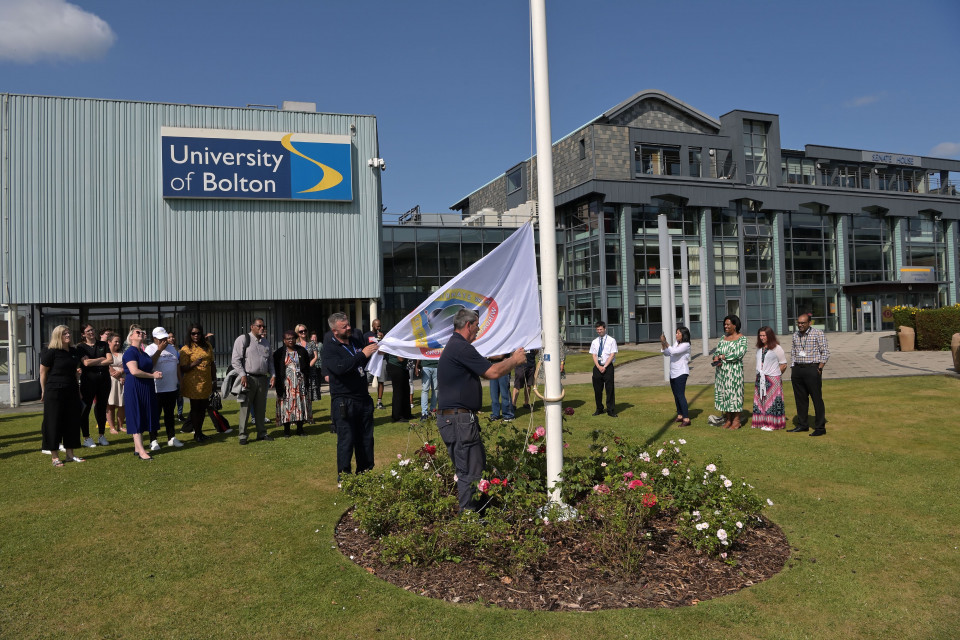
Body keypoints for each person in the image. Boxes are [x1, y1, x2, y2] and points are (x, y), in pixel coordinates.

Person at [437, 309, 526, 513]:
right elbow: (492, 372)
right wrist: (514, 360)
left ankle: (476, 515)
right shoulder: (461, 347)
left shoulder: (455, 346)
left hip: (455, 419)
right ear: (468, 325)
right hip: (459, 420)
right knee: (470, 471)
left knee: (471, 468)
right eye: (477, 325)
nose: (478, 330)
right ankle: (470, 520)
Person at [323, 312, 379, 478]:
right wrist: (362, 354)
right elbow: (340, 367)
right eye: (344, 326)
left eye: (348, 324)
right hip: (344, 400)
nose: (349, 328)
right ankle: (345, 477)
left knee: (366, 440)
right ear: (334, 331)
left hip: (363, 398)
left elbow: (363, 361)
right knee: (347, 440)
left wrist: (375, 354)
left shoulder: (355, 341)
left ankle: (365, 473)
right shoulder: (330, 348)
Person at [40, 325, 84, 467]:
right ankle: (54, 457)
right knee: (53, 422)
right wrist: (43, 390)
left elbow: (74, 372)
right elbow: (43, 372)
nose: (68, 334)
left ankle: (70, 454)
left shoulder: (73, 351)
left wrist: (78, 389)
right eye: (65, 333)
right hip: (54, 390)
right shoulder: (51, 352)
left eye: (69, 332)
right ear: (58, 335)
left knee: (71, 421)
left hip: (71, 389)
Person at [231, 318, 276, 445]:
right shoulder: (243, 339)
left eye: (263, 326)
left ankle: (262, 433)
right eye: (259, 326)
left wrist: (273, 375)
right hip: (248, 378)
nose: (262, 328)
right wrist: (242, 375)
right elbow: (235, 360)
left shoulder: (266, 343)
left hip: (263, 379)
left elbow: (270, 362)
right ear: (252, 327)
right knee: (245, 407)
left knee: (261, 408)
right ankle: (243, 435)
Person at [788, 313, 830, 436]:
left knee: (816, 399)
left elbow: (825, 352)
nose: (800, 325)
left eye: (803, 323)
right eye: (798, 323)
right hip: (797, 370)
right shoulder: (795, 335)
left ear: (809, 323)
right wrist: (793, 367)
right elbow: (793, 352)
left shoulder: (818, 333)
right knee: (800, 399)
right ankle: (802, 425)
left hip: (812, 369)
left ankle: (820, 428)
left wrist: (820, 368)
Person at [123, 328, 162, 460]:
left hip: (146, 387)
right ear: (131, 337)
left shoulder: (143, 353)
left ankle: (137, 447)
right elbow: (134, 371)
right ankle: (141, 452)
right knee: (136, 415)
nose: (141, 334)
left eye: (142, 333)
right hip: (135, 387)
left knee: (144, 414)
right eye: (138, 332)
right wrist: (152, 375)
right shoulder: (130, 352)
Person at [145, 327, 184, 450]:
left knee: (169, 415)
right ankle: (153, 440)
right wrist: (159, 350)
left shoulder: (172, 348)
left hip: (171, 387)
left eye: (165, 338)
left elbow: (177, 365)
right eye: (161, 338)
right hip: (157, 388)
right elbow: (149, 364)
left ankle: (171, 438)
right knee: (155, 416)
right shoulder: (149, 349)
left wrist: (180, 381)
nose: (164, 341)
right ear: (154, 338)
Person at [179, 323, 216, 442]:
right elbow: (182, 368)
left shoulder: (208, 346)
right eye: (193, 333)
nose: (196, 335)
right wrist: (194, 364)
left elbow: (212, 363)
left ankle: (200, 432)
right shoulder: (186, 349)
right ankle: (197, 434)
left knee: (203, 408)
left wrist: (214, 379)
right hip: (193, 383)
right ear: (189, 334)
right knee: (195, 409)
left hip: (206, 381)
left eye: (198, 333)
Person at [77, 323, 112, 447]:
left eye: (92, 329)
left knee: (101, 407)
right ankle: (86, 438)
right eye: (88, 331)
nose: (91, 332)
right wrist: (101, 359)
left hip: (104, 381)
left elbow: (110, 360)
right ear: (83, 334)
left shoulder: (103, 344)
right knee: (85, 409)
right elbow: (85, 363)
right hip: (88, 382)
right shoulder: (80, 347)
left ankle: (101, 435)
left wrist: (94, 361)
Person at [713, 314, 748, 430]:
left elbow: (738, 354)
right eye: (725, 324)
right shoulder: (723, 338)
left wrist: (722, 356)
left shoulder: (742, 339)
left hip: (734, 373)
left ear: (735, 325)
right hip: (721, 373)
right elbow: (716, 351)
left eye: (728, 324)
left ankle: (736, 420)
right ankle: (728, 419)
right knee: (724, 395)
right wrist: (715, 357)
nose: (725, 326)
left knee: (735, 395)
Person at [274, 330, 311, 437]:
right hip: (286, 384)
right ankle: (286, 430)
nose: (291, 340)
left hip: (300, 384)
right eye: (288, 338)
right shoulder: (279, 353)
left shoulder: (302, 351)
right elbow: (276, 370)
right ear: (284, 340)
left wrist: (305, 381)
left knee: (300, 405)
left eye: (293, 338)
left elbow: (307, 368)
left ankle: (300, 429)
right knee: (286, 406)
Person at [752, 326, 788, 431]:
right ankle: (760, 422)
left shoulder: (777, 348)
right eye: (760, 335)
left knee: (771, 401)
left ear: (769, 336)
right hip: (760, 378)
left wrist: (776, 375)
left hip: (773, 379)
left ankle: (772, 423)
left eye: (764, 335)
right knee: (761, 400)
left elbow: (783, 364)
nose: (762, 337)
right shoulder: (759, 348)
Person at [660, 326, 692, 427]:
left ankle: (686, 418)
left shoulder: (686, 345)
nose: (676, 335)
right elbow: (667, 353)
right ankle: (680, 415)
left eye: (678, 333)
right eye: (676, 333)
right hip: (673, 372)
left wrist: (665, 342)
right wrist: (662, 343)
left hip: (681, 372)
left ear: (684, 335)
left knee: (680, 395)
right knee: (676, 395)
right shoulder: (676, 343)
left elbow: (673, 352)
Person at [590, 321, 618, 417]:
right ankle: (599, 408)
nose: (599, 331)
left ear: (605, 329)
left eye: (601, 329)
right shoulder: (594, 342)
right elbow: (594, 355)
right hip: (598, 367)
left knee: (609, 389)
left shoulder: (611, 340)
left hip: (608, 367)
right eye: (597, 330)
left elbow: (612, 354)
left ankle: (610, 410)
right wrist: (598, 366)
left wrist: (605, 366)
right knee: (597, 389)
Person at [295, 324, 319, 424]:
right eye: (301, 331)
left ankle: (309, 416)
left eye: (305, 330)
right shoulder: (295, 345)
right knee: (300, 394)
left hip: (310, 372)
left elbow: (315, 356)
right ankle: (300, 416)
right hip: (299, 373)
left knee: (309, 394)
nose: (303, 333)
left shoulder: (311, 343)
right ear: (297, 333)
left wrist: (308, 366)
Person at [363, 319, 386, 410]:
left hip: (381, 360)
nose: (379, 328)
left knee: (381, 381)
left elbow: (386, 347)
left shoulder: (382, 335)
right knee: (367, 381)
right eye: (377, 326)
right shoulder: (366, 335)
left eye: (380, 326)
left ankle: (379, 402)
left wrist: (383, 338)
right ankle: (365, 399)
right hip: (370, 362)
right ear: (373, 325)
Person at [105, 332, 125, 434]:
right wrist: (119, 376)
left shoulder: (122, 354)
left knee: (122, 405)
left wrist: (121, 372)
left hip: (123, 382)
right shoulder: (106, 354)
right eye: (115, 341)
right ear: (109, 342)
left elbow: (127, 366)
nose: (117, 343)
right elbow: (108, 367)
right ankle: (112, 427)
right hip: (112, 381)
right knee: (111, 405)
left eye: (119, 341)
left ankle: (120, 426)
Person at [385, 350, 413, 422]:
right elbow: (401, 358)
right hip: (396, 366)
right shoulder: (397, 342)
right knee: (398, 392)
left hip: (403, 367)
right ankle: (397, 416)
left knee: (406, 390)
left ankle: (407, 414)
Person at [487, 355, 513, 422]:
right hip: (493, 367)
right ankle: (495, 414)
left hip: (503, 367)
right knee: (494, 394)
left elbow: (500, 356)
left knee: (505, 393)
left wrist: (489, 357)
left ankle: (508, 415)